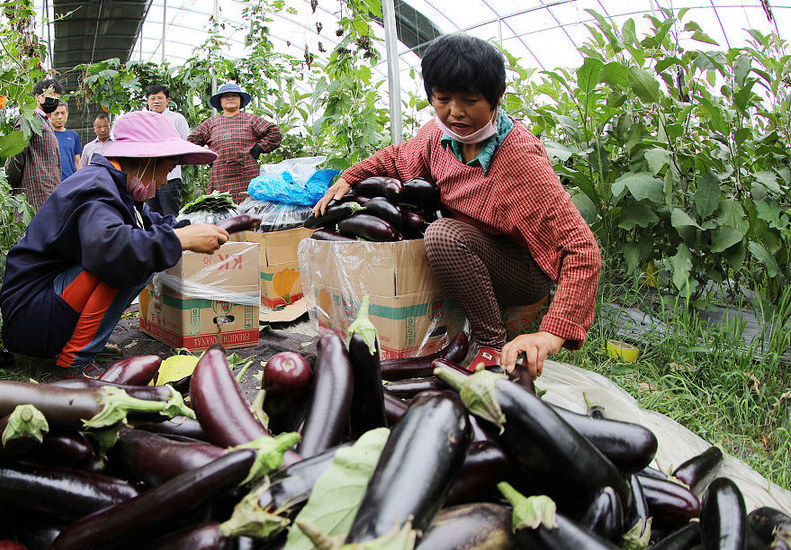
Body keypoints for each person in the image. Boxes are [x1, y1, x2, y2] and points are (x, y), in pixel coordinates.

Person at [313, 33, 601, 377]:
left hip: (521, 270)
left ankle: (490, 342)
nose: (455, 113)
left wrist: (551, 333)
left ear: (497, 99)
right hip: (473, 255)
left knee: (442, 234)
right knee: (439, 233)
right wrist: (350, 176)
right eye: (443, 99)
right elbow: (397, 157)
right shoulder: (438, 138)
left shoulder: (518, 158)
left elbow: (582, 250)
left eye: (470, 100)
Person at [0, 111, 229, 378]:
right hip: (32, 316)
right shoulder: (96, 188)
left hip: (45, 307)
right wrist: (182, 239)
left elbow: (146, 223)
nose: (165, 181)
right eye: (165, 170)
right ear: (146, 160)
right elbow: (110, 249)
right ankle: (75, 360)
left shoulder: (113, 186)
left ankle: (86, 342)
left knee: (141, 248)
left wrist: (187, 229)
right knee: (129, 260)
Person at [187, 82, 282, 201]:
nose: (230, 98)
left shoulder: (250, 119)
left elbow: (274, 132)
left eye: (234, 95)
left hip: (248, 175)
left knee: (250, 210)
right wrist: (206, 156)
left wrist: (259, 148)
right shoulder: (211, 123)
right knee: (222, 210)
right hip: (220, 177)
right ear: (220, 102)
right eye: (226, 96)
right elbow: (191, 141)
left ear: (240, 100)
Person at [5, 78, 63, 210]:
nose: (54, 100)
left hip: (48, 195)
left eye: (57, 97)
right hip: (34, 195)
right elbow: (16, 155)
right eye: (51, 95)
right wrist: (12, 185)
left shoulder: (46, 122)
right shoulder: (28, 119)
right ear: (38, 97)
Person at [143, 85, 191, 216]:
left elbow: (186, 142)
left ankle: (173, 237)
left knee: (170, 216)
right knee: (152, 216)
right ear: (147, 101)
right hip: (148, 178)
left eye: (160, 98)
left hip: (170, 177)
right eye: (152, 98)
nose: (156, 101)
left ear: (167, 100)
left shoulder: (177, 119)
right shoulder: (142, 121)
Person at [49, 100, 83, 180]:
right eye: (56, 114)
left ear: (67, 114)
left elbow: (77, 161)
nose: (60, 117)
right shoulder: (46, 135)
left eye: (63, 113)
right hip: (51, 182)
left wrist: (81, 180)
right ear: (50, 115)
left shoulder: (73, 136)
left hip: (70, 181)